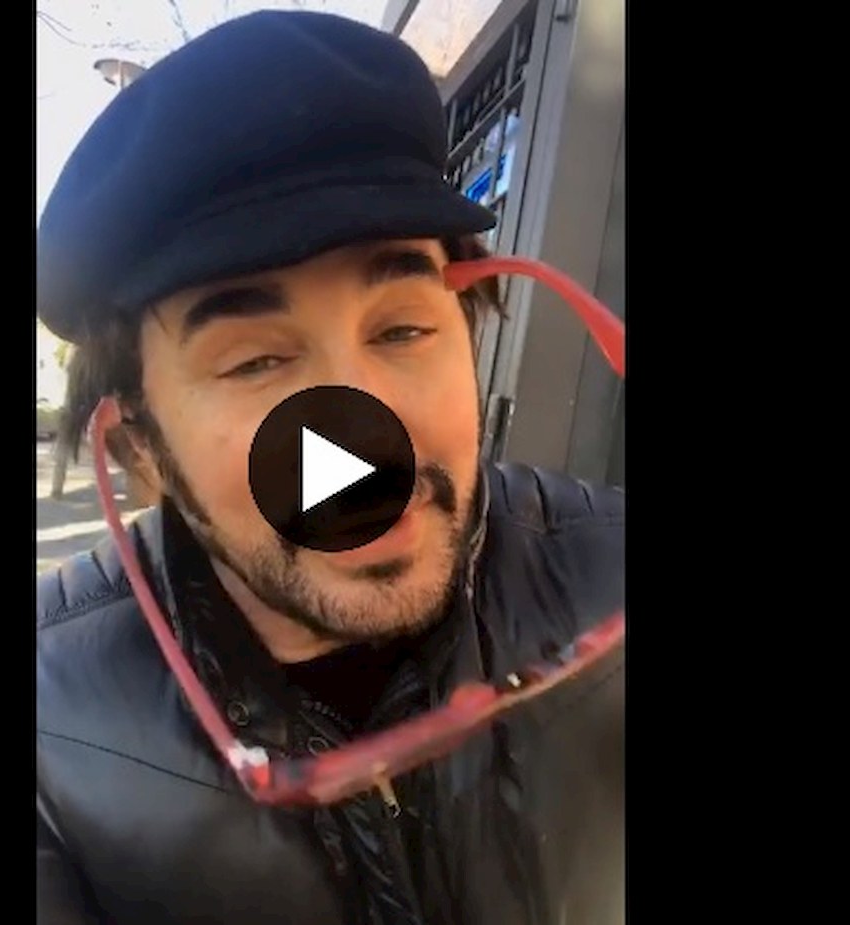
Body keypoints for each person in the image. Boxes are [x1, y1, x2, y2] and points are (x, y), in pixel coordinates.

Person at [36, 10, 624, 925]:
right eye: (256, 362)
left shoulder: (610, 575)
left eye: (403, 329)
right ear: (141, 451)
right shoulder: (52, 745)